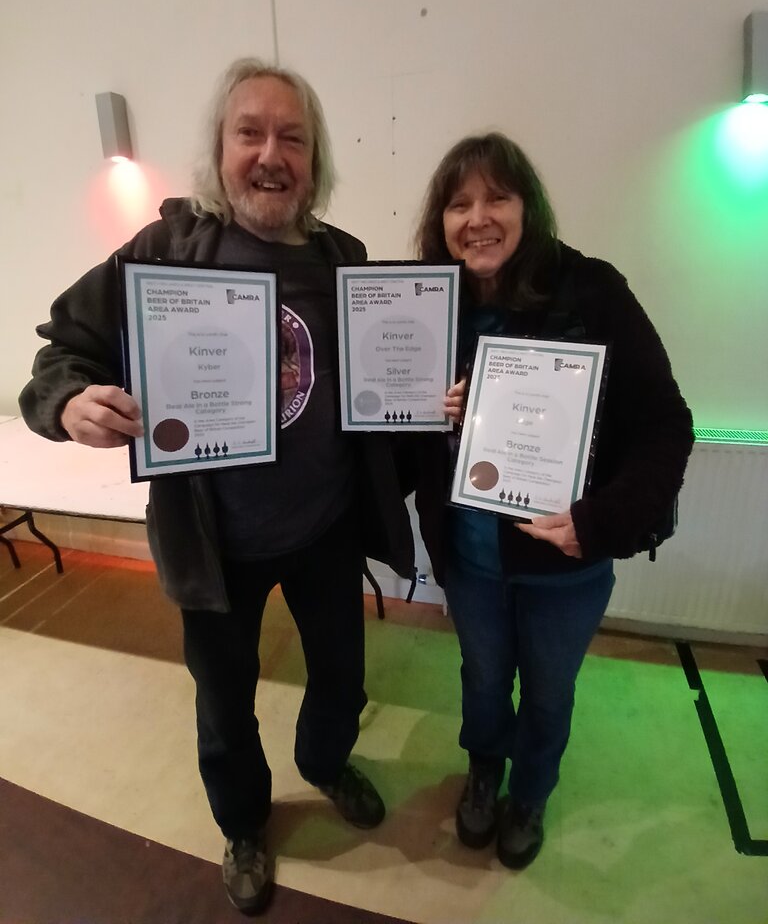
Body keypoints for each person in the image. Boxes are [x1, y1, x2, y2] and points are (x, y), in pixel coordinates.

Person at [19, 58, 414, 915]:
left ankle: (323, 761)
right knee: (225, 708)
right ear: (219, 147)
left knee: (343, 679)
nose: (271, 154)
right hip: (215, 546)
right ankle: (242, 822)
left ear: (315, 161)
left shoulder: (342, 257)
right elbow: (60, 352)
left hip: (325, 528)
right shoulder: (164, 249)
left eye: (293, 138)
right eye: (251, 133)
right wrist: (71, 401)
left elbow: (383, 383)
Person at [406, 132, 693, 870]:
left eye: (496, 196)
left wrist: (599, 523)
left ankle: (531, 791)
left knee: (547, 692)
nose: (478, 218)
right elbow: (396, 438)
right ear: (440, 222)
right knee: (480, 677)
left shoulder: (594, 290)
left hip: (564, 565)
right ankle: (483, 771)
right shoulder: (429, 307)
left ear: (527, 207)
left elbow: (666, 424)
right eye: (458, 203)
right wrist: (427, 416)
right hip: (469, 561)